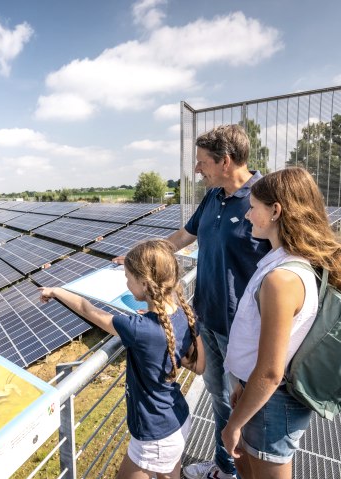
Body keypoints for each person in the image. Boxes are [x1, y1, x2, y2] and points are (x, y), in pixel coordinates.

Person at [115, 125, 271, 479]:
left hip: (244, 331)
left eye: (202, 163)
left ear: (226, 161)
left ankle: (244, 469)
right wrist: (139, 258)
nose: (197, 170)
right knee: (219, 399)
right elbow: (184, 236)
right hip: (208, 321)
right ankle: (225, 466)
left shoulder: (262, 199)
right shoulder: (213, 197)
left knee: (248, 409)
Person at [40, 239, 205, 479]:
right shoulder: (183, 316)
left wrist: (56, 291)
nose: (126, 283)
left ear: (145, 284)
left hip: (153, 434)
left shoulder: (139, 328)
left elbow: (89, 310)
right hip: (177, 419)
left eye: (128, 278)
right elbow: (198, 366)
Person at [221, 167, 341, 478]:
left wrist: (234, 423)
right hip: (260, 398)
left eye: (253, 207)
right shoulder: (285, 263)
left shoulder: (282, 279)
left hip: (274, 405)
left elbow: (272, 371)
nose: (247, 216)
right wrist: (244, 387)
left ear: (275, 211)